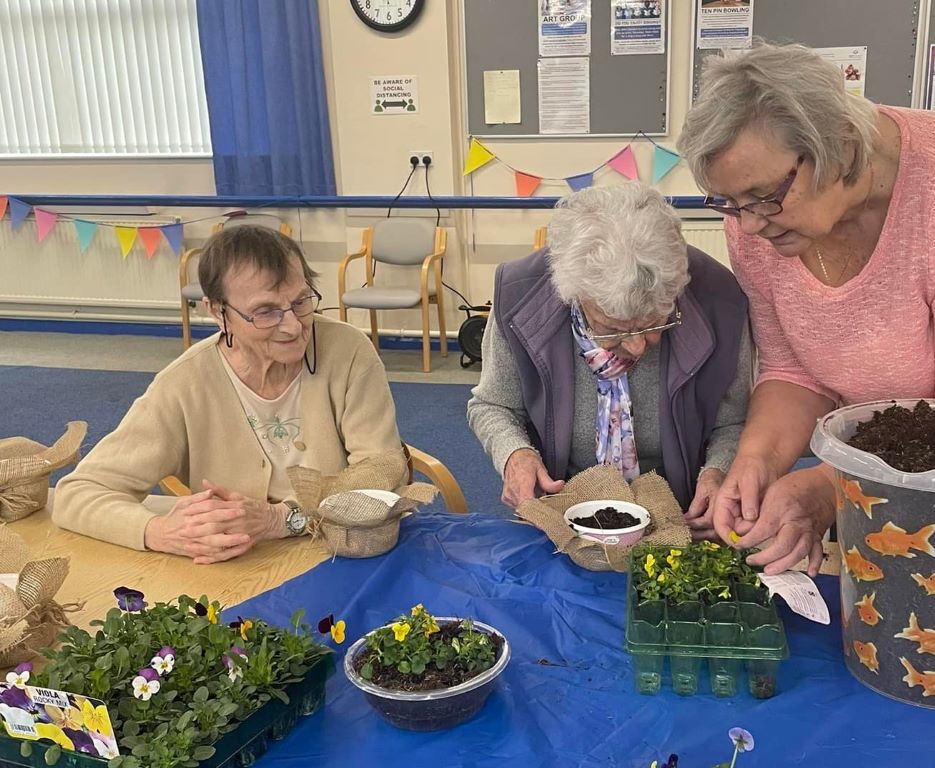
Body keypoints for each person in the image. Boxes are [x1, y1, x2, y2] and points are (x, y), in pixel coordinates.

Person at [678, 42, 935, 575]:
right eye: (728, 204)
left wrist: (828, 488)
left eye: (763, 198)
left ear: (838, 147)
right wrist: (756, 461)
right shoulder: (758, 216)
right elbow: (792, 369)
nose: (746, 227)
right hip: (870, 467)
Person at [54, 226, 405, 563]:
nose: (294, 326)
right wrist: (158, 531)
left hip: (338, 554)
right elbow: (79, 492)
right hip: (234, 568)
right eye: (266, 312)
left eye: (301, 302)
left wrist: (280, 519)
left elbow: (383, 472)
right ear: (218, 312)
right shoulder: (185, 382)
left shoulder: (349, 351)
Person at [468, 182, 753, 524]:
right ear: (573, 297)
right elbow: (493, 405)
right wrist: (516, 454)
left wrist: (718, 471)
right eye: (612, 328)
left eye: (654, 323)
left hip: (681, 516)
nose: (635, 347)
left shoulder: (720, 302)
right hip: (562, 511)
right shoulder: (520, 298)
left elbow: (733, 422)